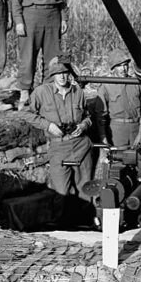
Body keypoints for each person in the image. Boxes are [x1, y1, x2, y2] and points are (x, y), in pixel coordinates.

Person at [24, 54, 94, 222]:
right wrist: (48, 125)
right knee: (61, 191)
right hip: (58, 147)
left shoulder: (78, 92)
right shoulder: (41, 92)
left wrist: (83, 125)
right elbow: (27, 114)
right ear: (52, 76)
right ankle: (63, 225)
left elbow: (88, 116)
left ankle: (86, 223)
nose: (62, 77)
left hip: (81, 145)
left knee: (85, 187)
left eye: (64, 73)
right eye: (58, 73)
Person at [12, 0, 69, 109]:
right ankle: (24, 94)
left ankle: (46, 93)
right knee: (28, 57)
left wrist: (64, 18)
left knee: (53, 58)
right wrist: (19, 21)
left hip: (53, 16)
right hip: (31, 16)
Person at [93, 48, 141, 148]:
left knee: (140, 160)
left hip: (136, 128)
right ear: (113, 68)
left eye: (125, 65)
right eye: (119, 66)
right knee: (119, 160)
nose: (123, 69)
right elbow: (100, 115)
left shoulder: (136, 83)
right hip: (117, 132)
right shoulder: (106, 85)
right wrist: (103, 137)